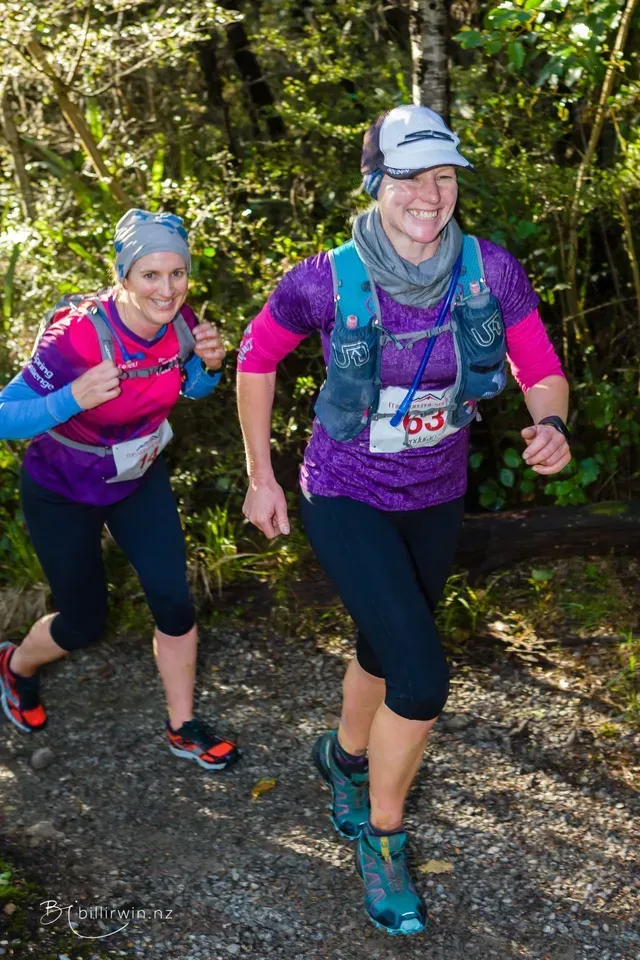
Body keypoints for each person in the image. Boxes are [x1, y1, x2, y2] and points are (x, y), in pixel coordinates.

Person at [236, 105, 570, 934]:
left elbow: (542, 369)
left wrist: (553, 424)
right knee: (421, 678)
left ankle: (343, 759)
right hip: (344, 491)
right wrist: (260, 476)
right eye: (410, 175)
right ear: (375, 182)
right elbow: (256, 356)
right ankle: (383, 840)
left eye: (444, 175)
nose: (429, 193)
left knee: (386, 647)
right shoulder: (323, 279)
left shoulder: (491, 272)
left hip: (436, 493)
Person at [0, 209, 239, 772]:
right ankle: (15, 667)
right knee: (83, 623)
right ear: (124, 276)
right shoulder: (78, 336)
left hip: (137, 476)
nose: (167, 289)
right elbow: (5, 415)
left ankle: (183, 727)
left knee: (174, 601)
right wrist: (71, 398)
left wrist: (208, 367)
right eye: (151, 276)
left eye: (177, 274)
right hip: (62, 487)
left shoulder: (181, 322)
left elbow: (192, 389)